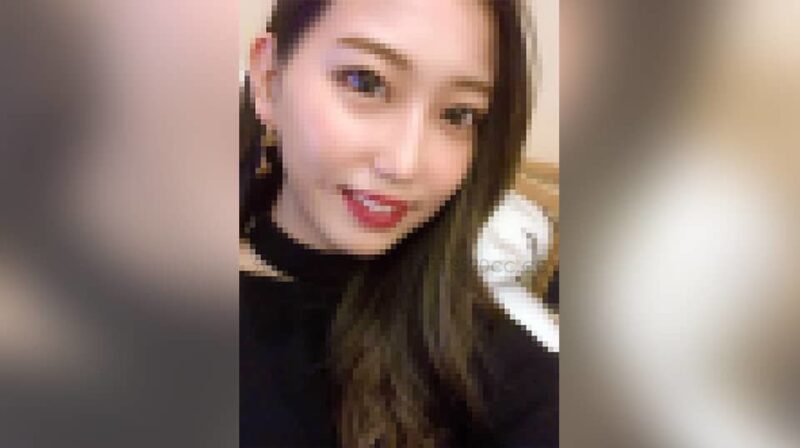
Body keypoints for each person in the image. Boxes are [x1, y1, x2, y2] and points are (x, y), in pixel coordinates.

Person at [239, 0, 557, 446]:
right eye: (365, 82)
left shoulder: (478, 353)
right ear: (269, 78)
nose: (404, 164)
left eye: (458, 114)